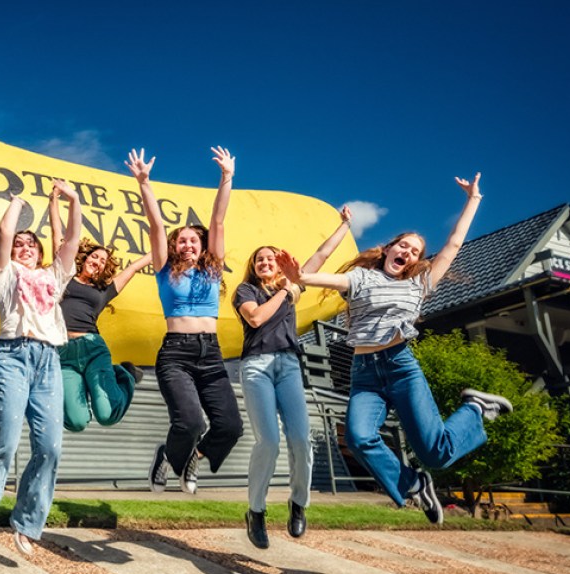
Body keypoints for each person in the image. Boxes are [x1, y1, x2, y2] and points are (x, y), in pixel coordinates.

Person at [277, 175, 513, 524]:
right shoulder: (362, 278)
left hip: (401, 367)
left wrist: (473, 200)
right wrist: (300, 277)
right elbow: (329, 279)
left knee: (435, 454)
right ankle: (415, 485)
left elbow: (453, 245)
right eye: (403, 246)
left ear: (416, 261)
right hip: (365, 374)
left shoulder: (419, 284)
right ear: (388, 249)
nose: (407, 252)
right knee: (358, 438)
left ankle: (475, 409)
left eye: (415, 251)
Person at [0, 182, 82, 557]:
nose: (26, 247)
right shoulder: (4, 274)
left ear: (41, 253)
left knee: (50, 447)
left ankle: (28, 522)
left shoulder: (53, 277)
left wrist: (74, 200)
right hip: (13, 356)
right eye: (21, 244)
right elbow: (3, 233)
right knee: (5, 442)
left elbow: (72, 241)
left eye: (32, 244)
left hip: (48, 361)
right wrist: (17, 201)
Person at [235, 206, 353, 549]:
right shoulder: (246, 290)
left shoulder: (292, 284)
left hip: (288, 365)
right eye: (259, 259)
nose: (265, 262)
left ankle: (298, 502)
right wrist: (286, 292)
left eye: (270, 258)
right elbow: (256, 319)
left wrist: (345, 225)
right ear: (254, 267)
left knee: (301, 439)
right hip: (256, 366)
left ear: (278, 264)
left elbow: (321, 254)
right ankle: (256, 511)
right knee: (269, 442)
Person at [129, 146, 243, 495]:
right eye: (182, 240)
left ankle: (194, 456)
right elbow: (156, 224)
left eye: (194, 240)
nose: (188, 244)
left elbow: (218, 221)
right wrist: (144, 183)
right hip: (176, 354)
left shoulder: (213, 269)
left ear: (202, 246)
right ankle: (167, 457)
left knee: (230, 426)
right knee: (191, 421)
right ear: (174, 246)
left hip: (211, 354)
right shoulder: (164, 270)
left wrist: (227, 177)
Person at [47, 190, 152, 431]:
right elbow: (56, 233)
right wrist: (53, 201)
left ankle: (125, 374)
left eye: (103, 261)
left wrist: (161, 247)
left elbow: (135, 267)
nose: (98, 262)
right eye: (95, 256)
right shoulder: (63, 274)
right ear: (85, 258)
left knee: (107, 415)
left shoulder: (104, 290)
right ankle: (81, 389)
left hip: (93, 348)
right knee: (75, 422)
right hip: (63, 353)